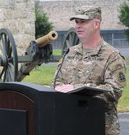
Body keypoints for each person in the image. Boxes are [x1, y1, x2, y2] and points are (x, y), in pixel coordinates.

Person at [53, 6, 126, 135]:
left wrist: (76, 88)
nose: (78, 26)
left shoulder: (112, 56)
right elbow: (57, 85)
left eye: (83, 22)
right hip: (70, 126)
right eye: (76, 22)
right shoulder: (70, 53)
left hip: (100, 128)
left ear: (96, 23)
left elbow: (113, 92)